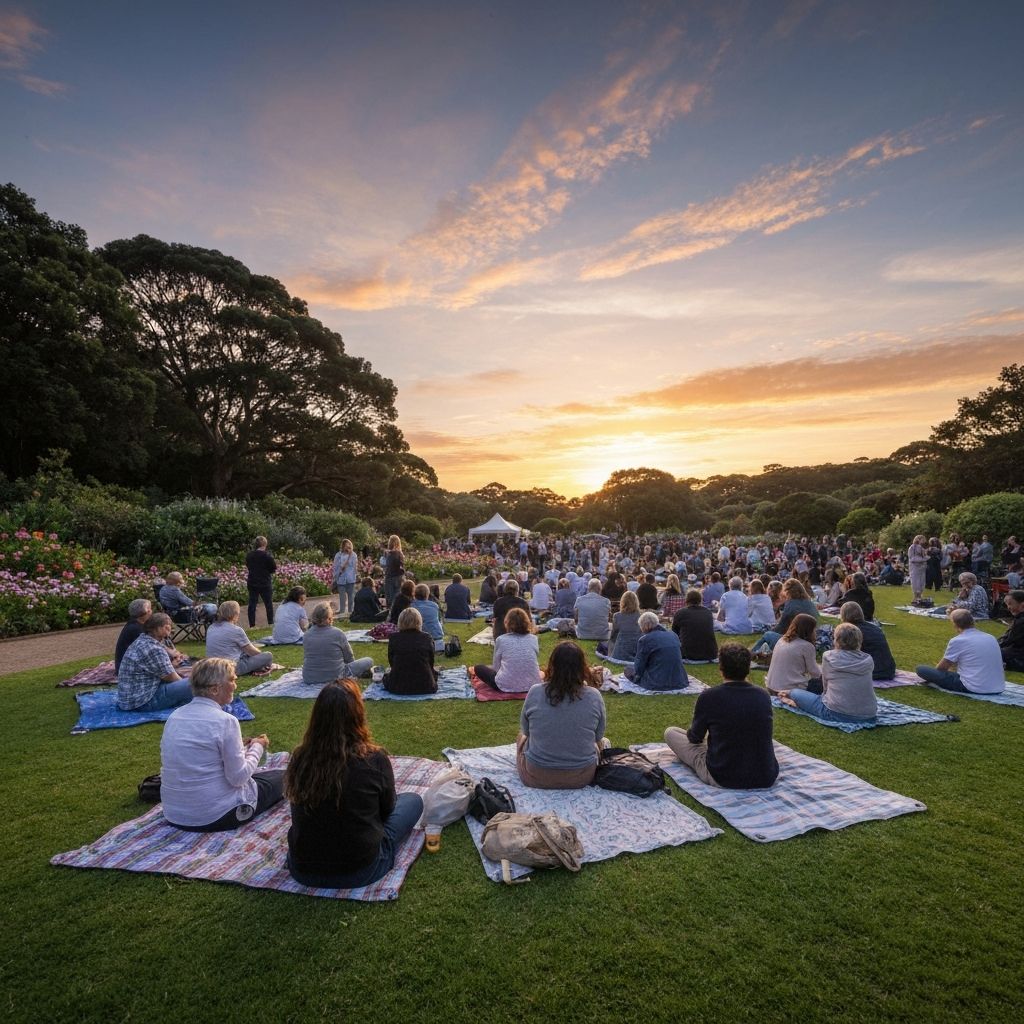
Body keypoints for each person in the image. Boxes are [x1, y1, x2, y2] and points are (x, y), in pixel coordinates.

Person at [285, 679, 423, 888]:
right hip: (360, 869)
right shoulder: (373, 758)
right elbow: (388, 809)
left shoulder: (300, 757)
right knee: (413, 801)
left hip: (303, 869)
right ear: (357, 714)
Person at [160, 657, 284, 831]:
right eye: (232, 680)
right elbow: (238, 778)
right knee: (286, 776)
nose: (235, 684)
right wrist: (258, 746)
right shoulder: (225, 721)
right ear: (215, 689)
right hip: (215, 815)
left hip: (175, 813)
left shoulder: (175, 716)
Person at [664, 643, 778, 789]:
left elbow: (694, 738)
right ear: (748, 668)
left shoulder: (710, 697)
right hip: (765, 775)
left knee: (671, 732)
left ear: (721, 668)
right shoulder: (762, 695)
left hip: (724, 776)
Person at [517, 642, 607, 789]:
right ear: (582, 667)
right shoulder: (594, 695)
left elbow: (526, 731)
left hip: (536, 775)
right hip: (582, 776)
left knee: (520, 736)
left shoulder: (535, 692)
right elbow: (598, 736)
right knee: (602, 743)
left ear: (552, 665)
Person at [780, 623, 877, 724]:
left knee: (794, 693)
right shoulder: (868, 659)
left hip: (835, 712)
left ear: (837, 640)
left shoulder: (829, 657)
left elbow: (825, 687)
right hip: (869, 714)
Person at [915, 609, 1005, 694]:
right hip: (997, 687)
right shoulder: (991, 637)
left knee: (921, 669)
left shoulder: (958, 640)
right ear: (972, 621)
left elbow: (942, 668)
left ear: (955, 625)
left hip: (973, 687)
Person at [116, 613, 192, 712]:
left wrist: (172, 665)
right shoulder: (154, 649)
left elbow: (155, 670)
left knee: (191, 682)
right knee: (195, 683)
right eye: (167, 626)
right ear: (158, 628)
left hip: (129, 699)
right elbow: (173, 678)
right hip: (143, 702)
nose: (171, 630)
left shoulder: (141, 641)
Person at [474, 607, 542, 693]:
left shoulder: (501, 639)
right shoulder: (534, 639)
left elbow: (496, 667)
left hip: (505, 685)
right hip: (532, 684)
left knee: (478, 668)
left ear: (507, 622)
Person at [302, 604, 374, 685]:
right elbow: (349, 657)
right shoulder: (337, 633)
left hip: (309, 677)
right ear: (329, 618)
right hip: (335, 676)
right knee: (369, 660)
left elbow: (307, 657)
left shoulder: (307, 634)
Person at [206, 601, 273, 676]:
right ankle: (260, 667)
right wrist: (261, 656)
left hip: (213, 667)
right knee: (268, 656)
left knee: (244, 653)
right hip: (231, 668)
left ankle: (256, 666)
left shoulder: (211, 627)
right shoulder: (236, 630)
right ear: (235, 614)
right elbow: (252, 652)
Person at [627, 611, 689, 690]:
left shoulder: (645, 640)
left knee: (628, 669)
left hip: (657, 682)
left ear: (645, 626)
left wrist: (635, 676)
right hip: (679, 680)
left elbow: (639, 667)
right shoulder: (673, 635)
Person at [383, 607, 438, 695]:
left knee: (386, 676)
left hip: (397, 686)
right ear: (419, 621)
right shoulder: (427, 638)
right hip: (426, 686)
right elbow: (430, 661)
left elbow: (392, 662)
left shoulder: (394, 638)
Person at [764, 614, 822, 696]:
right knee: (823, 683)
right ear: (809, 630)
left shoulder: (782, 640)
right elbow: (815, 673)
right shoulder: (807, 646)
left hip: (771, 687)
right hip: (789, 690)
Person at [756, 579, 820, 651]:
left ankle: (752, 653)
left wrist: (771, 630)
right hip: (810, 641)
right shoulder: (810, 603)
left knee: (768, 635)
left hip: (795, 643)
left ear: (788, 591)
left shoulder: (791, 604)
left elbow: (780, 627)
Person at [839, 601, 896, 680]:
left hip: (873, 671)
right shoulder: (874, 628)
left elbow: (846, 654)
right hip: (889, 669)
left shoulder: (851, 631)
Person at [672, 588, 719, 662]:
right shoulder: (708, 612)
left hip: (688, 654)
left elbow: (674, 634)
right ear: (700, 600)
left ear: (687, 600)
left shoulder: (680, 613)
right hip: (710, 653)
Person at [245, 536, 277, 628]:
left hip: (252, 582)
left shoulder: (250, 555)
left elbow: (248, 566)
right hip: (265, 582)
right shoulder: (267, 556)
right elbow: (273, 568)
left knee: (252, 604)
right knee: (268, 604)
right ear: (265, 544)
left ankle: (252, 625)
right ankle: (270, 623)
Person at [609, 590, 643, 660]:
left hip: (621, 650)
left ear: (622, 602)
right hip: (636, 649)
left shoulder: (617, 616)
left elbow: (613, 635)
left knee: (611, 639)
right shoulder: (640, 616)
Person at [998, 590, 1024, 671]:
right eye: (1007, 605)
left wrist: (992, 646)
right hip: (1018, 649)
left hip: (1020, 654)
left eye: (1010, 604)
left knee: (993, 653)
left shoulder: (1021, 621)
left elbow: (1008, 640)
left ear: (1022, 605)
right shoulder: (1019, 618)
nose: (1008, 607)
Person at [332, 539, 359, 617]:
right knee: (342, 597)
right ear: (343, 546)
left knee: (351, 597)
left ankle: (350, 613)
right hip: (341, 578)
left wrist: (350, 555)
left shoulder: (353, 555)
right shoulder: (338, 555)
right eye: (346, 546)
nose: (348, 548)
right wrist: (336, 576)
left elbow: (354, 566)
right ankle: (342, 613)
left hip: (350, 579)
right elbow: (335, 566)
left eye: (349, 546)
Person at [383, 535, 405, 608]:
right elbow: (401, 567)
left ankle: (390, 614)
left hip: (389, 577)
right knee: (397, 597)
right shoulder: (400, 554)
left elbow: (384, 565)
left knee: (390, 599)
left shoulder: (387, 554)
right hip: (398, 577)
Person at [908, 535, 928, 601]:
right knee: (915, 581)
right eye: (922, 540)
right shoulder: (912, 548)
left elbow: (924, 556)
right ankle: (916, 597)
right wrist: (923, 559)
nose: (924, 542)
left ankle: (919, 596)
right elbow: (912, 558)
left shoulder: (922, 548)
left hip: (921, 568)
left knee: (922, 581)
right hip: (915, 567)